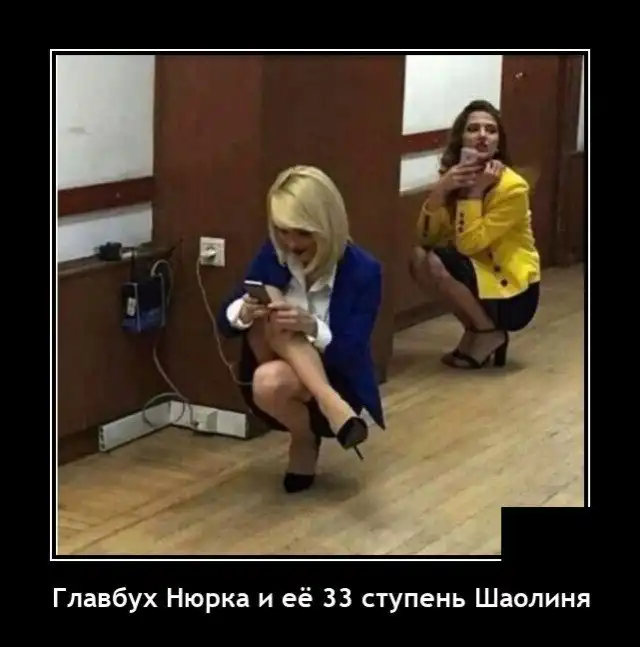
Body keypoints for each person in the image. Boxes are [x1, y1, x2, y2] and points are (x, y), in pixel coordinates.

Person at [216, 165, 385, 493]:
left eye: (303, 233)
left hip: (337, 375)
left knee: (277, 354)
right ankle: (326, 410)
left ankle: (320, 414)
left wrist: (311, 326)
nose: (291, 243)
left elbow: (352, 350)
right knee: (271, 311)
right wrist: (244, 312)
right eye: (283, 230)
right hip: (273, 369)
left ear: (327, 225)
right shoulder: (273, 254)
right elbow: (226, 320)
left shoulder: (364, 271)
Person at [409, 99, 541, 369]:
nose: (482, 135)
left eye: (490, 130)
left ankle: (488, 332)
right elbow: (426, 238)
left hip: (511, 290)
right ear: (461, 138)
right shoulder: (454, 176)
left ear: (498, 143)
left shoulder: (512, 188)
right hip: (478, 274)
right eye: (473, 129)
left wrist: (475, 193)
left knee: (436, 261)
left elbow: (469, 244)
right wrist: (440, 191)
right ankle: (476, 329)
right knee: (419, 258)